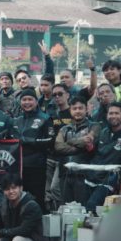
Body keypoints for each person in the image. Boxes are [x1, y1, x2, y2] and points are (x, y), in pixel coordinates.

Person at [12, 89, 55, 211]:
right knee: (19, 198)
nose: (27, 102)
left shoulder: (45, 118)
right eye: (24, 100)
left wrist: (29, 141)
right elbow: (11, 137)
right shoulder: (17, 119)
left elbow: (51, 140)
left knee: (36, 198)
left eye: (30, 99)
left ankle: (38, 222)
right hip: (18, 167)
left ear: (36, 101)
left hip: (37, 166)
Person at [54, 97, 100, 206]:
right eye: (74, 108)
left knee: (83, 208)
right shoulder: (64, 129)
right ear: (70, 110)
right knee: (66, 208)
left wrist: (69, 142)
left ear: (86, 109)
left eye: (80, 108)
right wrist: (79, 146)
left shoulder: (94, 126)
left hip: (84, 175)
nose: (77, 111)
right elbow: (58, 146)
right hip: (64, 173)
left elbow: (88, 141)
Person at [85, 102, 121, 214]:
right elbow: (95, 153)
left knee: (92, 207)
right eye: (111, 113)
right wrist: (90, 147)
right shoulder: (103, 132)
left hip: (111, 180)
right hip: (92, 178)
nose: (113, 116)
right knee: (86, 210)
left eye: (116, 113)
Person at [46, 83, 72, 211]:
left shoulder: (74, 112)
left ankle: (63, 214)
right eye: (54, 95)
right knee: (47, 193)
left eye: (60, 94)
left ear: (67, 95)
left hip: (66, 157)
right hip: (51, 156)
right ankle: (52, 216)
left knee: (55, 188)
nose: (57, 97)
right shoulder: (52, 115)